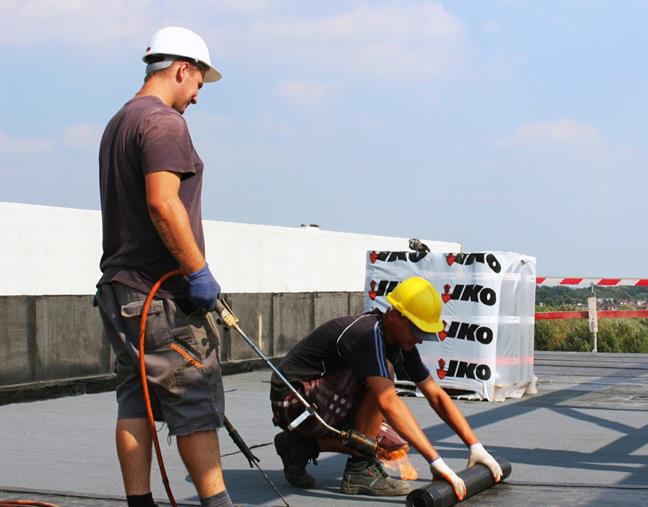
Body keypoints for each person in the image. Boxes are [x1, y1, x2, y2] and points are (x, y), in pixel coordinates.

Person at [94, 26, 232, 507]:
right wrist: (198, 272)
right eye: (197, 85)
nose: (196, 98)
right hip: (160, 298)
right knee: (193, 400)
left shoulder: (119, 123)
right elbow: (163, 204)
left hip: (119, 291)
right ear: (182, 69)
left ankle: (140, 503)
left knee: (135, 398)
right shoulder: (164, 124)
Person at [270, 276, 503, 499]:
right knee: (386, 377)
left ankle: (299, 446)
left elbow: (436, 395)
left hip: (321, 402)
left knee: (395, 446)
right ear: (395, 316)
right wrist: (437, 462)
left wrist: (475, 446)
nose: (420, 339)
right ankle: (359, 471)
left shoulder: (399, 341)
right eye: (417, 331)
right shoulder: (365, 335)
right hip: (294, 402)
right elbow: (387, 401)